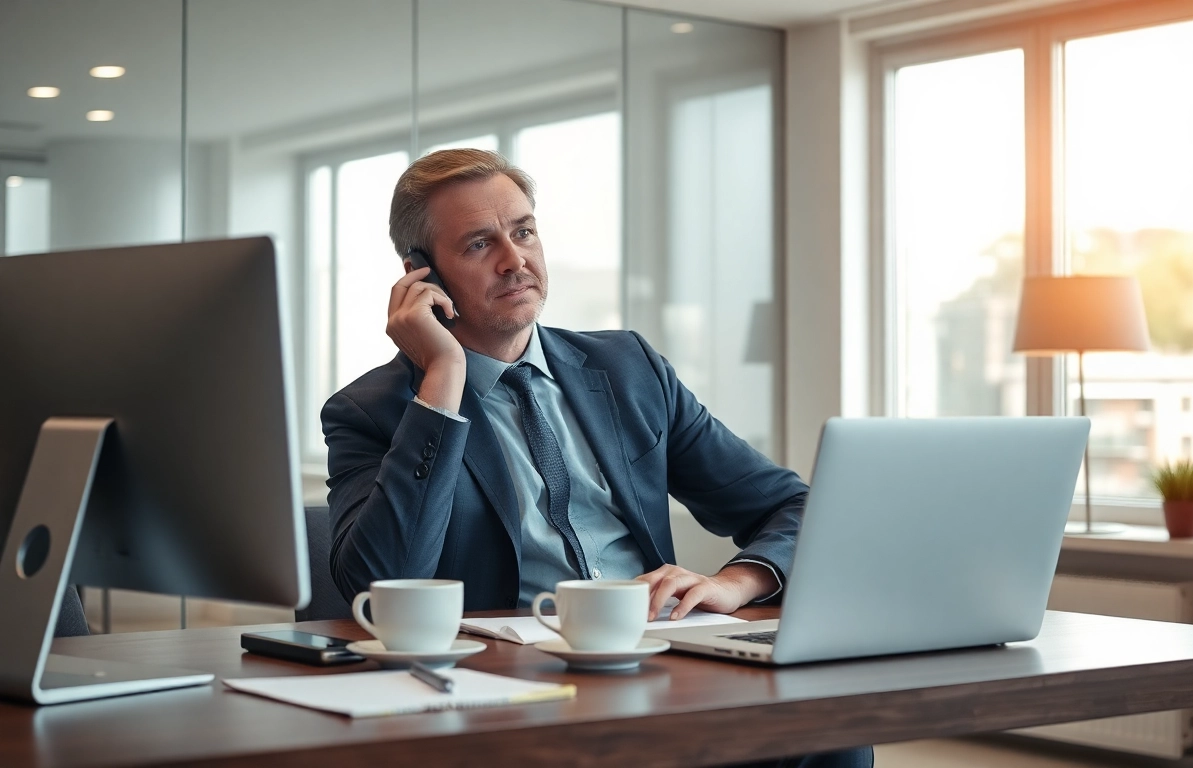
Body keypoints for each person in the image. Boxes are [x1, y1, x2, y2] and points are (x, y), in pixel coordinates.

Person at [322, 149, 871, 768]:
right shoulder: (373, 410)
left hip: (657, 663)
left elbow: (791, 505)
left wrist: (733, 583)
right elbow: (378, 583)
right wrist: (443, 380)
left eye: (524, 230)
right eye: (480, 245)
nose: (515, 260)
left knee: (831, 735)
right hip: (511, 684)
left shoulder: (628, 369)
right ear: (421, 276)